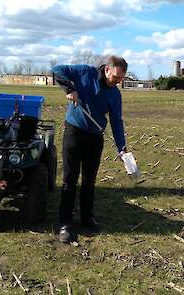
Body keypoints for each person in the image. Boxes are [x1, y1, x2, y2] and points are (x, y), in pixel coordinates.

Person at [51, 55, 128, 243]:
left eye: (121, 79)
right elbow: (57, 69)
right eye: (115, 77)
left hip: (95, 137)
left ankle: (86, 217)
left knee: (89, 180)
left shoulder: (115, 94)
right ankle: (65, 223)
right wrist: (70, 89)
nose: (117, 82)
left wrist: (122, 148)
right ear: (107, 69)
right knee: (70, 179)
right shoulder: (86, 72)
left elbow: (116, 121)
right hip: (74, 132)